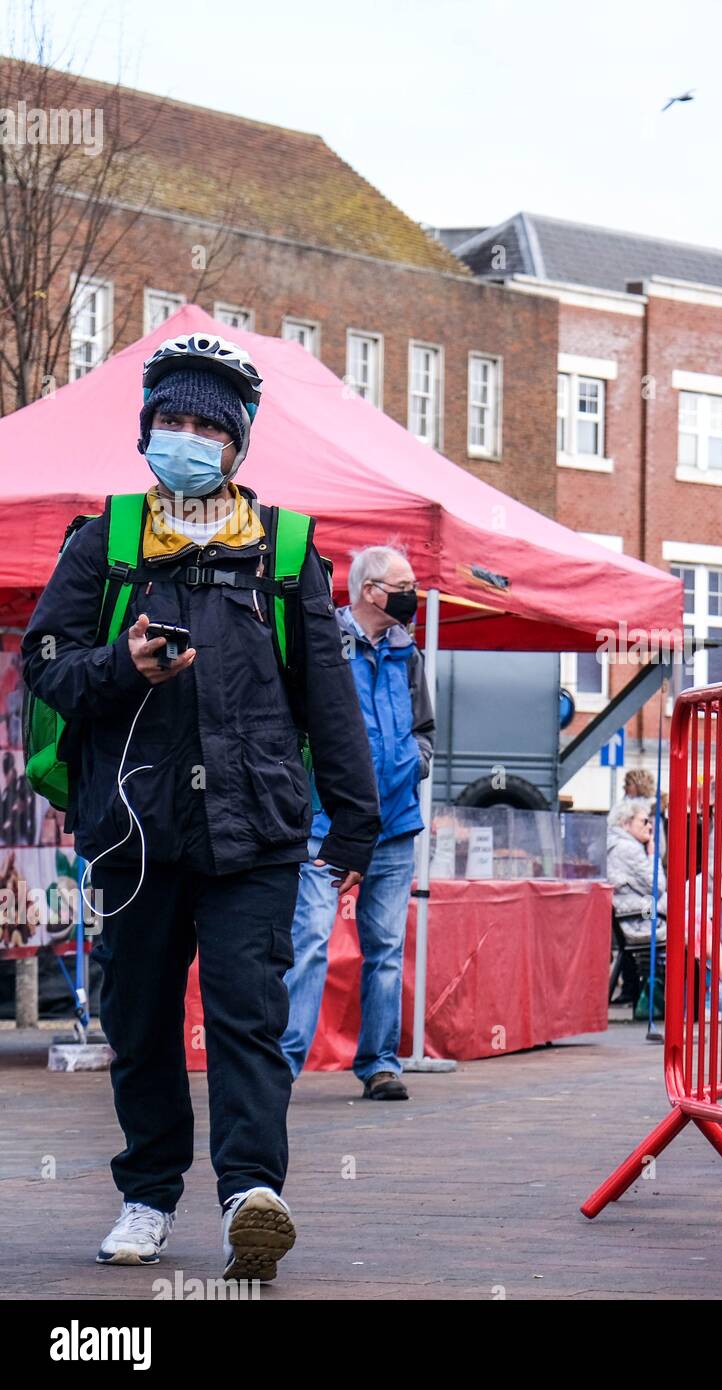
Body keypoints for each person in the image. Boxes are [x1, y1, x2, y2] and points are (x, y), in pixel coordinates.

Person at [22, 332, 380, 1281]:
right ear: (146, 432)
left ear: (238, 444)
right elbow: (45, 664)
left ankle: (251, 1196)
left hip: (254, 825)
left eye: (205, 427)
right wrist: (120, 666)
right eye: (170, 422)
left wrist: (356, 820)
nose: (185, 439)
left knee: (245, 1017)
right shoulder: (107, 538)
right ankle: (147, 1195)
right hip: (133, 829)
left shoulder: (289, 549)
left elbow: (326, 695)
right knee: (136, 1020)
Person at [280, 545, 434, 1099]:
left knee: (386, 948)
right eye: (404, 583)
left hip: (394, 824)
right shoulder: (325, 641)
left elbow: (425, 729)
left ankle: (380, 1065)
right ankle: (282, 1064)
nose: (412, 593)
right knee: (310, 940)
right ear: (370, 589)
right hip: (324, 824)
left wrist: (413, 761)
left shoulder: (407, 651)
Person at [607, 798, 667, 1006]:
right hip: (640, 920)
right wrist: (653, 856)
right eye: (644, 821)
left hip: (631, 914)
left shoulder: (614, 845)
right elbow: (657, 886)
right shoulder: (628, 849)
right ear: (626, 823)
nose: (650, 826)